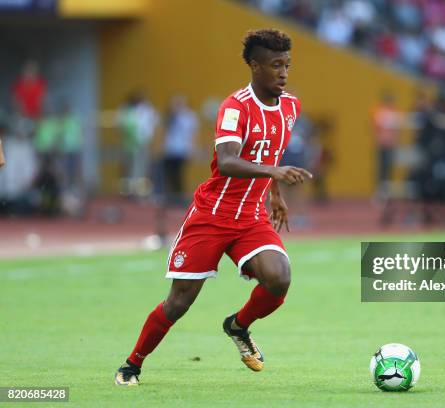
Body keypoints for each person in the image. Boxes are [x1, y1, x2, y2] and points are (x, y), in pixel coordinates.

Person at [115, 29, 312, 386]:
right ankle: (132, 364)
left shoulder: (290, 107)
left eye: (287, 65)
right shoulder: (235, 107)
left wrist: (275, 192)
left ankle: (238, 326)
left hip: (250, 216)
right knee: (179, 302)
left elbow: (271, 152)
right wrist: (274, 172)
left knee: (279, 277)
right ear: (255, 66)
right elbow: (226, 161)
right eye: (275, 65)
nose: (283, 72)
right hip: (212, 215)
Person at [161, 94, 199, 204]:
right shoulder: (170, 116)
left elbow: (192, 133)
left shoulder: (189, 116)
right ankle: (171, 196)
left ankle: (179, 197)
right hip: (170, 149)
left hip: (182, 149)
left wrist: (193, 148)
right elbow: (165, 130)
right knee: (169, 174)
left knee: (179, 174)